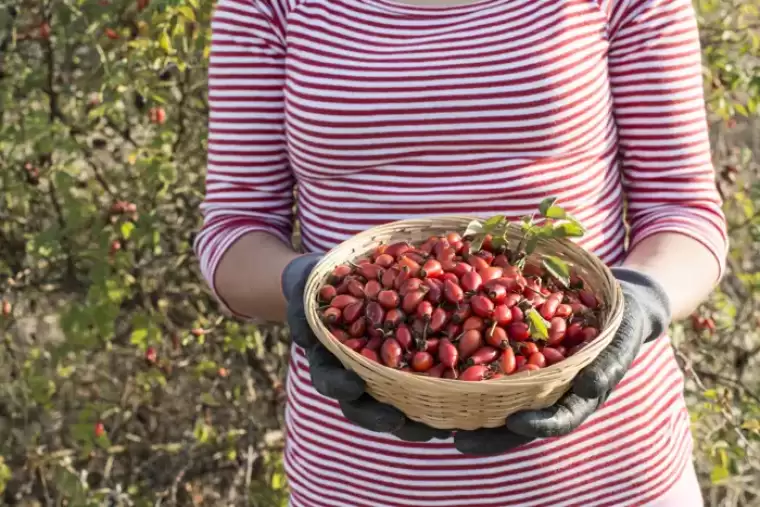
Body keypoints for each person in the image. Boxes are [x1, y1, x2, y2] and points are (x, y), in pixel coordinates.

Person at [194, 0, 728, 505]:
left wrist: (641, 301)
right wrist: (307, 288)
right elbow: (233, 231)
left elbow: (683, 210)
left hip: (611, 476)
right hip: (361, 481)